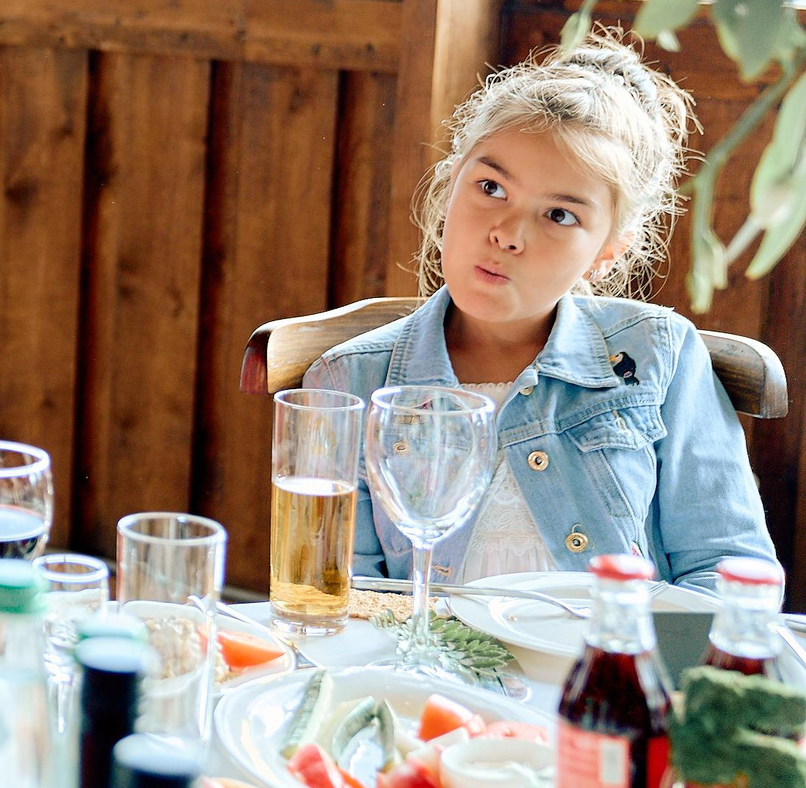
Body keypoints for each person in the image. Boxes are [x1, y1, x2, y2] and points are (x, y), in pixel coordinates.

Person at [307, 33, 777, 588]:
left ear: (607, 251)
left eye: (559, 216)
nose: (507, 233)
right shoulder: (349, 381)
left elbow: (727, 569)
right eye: (490, 187)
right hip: (422, 648)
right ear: (451, 183)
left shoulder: (661, 356)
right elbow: (341, 596)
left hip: (616, 643)